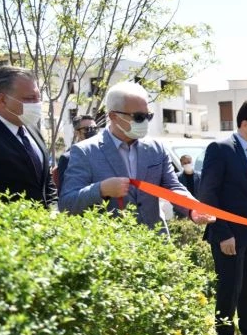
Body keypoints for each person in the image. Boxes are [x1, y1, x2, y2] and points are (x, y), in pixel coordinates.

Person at [59, 81, 213, 231]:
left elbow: (172, 187)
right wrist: (101, 189)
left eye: (148, 116)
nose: (145, 122)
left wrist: (192, 209)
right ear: (113, 116)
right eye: (139, 117)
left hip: (155, 243)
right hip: (111, 249)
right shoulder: (84, 152)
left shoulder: (156, 148)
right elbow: (68, 204)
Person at [199, 100, 247, 335]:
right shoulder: (221, 149)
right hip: (228, 236)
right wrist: (222, 231)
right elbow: (208, 194)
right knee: (229, 290)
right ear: (245, 124)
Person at [0, 65, 56, 207]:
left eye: (38, 97)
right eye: (30, 98)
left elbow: (46, 183)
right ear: (2, 99)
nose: (37, 104)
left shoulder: (30, 128)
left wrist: (54, 211)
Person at [54, 114, 97, 190]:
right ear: (77, 133)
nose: (92, 132)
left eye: (94, 128)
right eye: (87, 129)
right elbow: (65, 191)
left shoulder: (103, 154)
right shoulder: (68, 158)